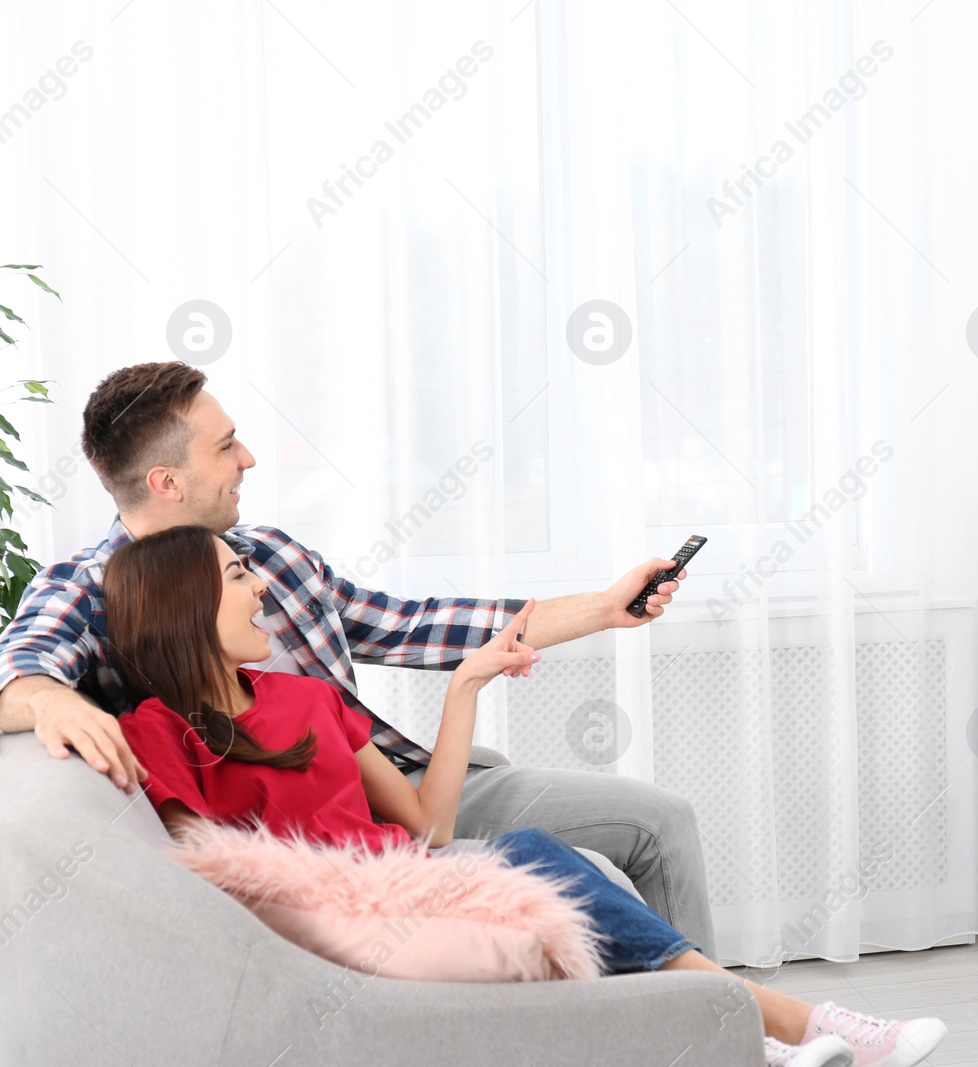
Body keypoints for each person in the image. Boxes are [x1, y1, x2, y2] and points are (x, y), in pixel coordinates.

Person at [104, 525, 947, 1067]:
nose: (261, 587)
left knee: (559, 867)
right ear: (183, 604)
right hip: (349, 922)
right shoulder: (151, 730)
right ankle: (781, 1024)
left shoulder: (308, 699)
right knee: (544, 858)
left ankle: (757, 1032)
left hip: (420, 879)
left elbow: (429, 824)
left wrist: (466, 687)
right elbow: (208, 875)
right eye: (237, 574)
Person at [0, 361, 715, 953]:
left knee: (660, 819)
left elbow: (415, 626)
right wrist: (50, 696)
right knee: (579, 874)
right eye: (225, 446)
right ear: (166, 481)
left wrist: (604, 606)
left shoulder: (273, 554)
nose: (248, 458)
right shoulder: (89, 588)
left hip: (404, 784)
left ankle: (712, 1027)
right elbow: (18, 673)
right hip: (329, 847)